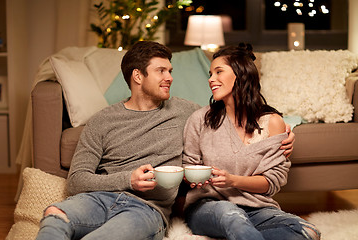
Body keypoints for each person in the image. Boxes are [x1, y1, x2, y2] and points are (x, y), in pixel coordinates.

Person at [35, 41, 295, 240]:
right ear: (138, 76)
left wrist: (285, 130)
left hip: (146, 208)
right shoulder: (101, 121)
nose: (170, 77)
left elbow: (237, 115)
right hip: (98, 199)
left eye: (170, 70)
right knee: (54, 216)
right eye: (161, 71)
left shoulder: (188, 113)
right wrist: (128, 179)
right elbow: (77, 180)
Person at [182, 43, 320, 240]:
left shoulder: (272, 123)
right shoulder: (200, 119)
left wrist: (232, 181)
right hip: (209, 207)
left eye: (218, 72)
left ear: (241, 74)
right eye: (210, 73)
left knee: (306, 231)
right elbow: (189, 168)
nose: (211, 79)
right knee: (233, 217)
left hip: (256, 208)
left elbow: (272, 182)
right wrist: (194, 176)